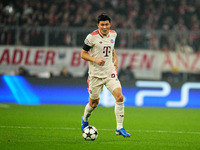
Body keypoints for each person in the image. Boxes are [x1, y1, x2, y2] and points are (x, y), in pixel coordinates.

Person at [80, 13, 130, 137]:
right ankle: (85, 118)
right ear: (98, 25)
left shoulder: (113, 34)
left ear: (110, 24)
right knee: (94, 103)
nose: (104, 27)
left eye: (106, 24)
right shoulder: (91, 37)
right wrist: (96, 60)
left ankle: (120, 127)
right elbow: (83, 54)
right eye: (102, 24)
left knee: (119, 97)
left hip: (109, 72)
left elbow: (111, 47)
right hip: (95, 75)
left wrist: (115, 58)